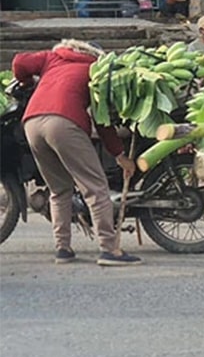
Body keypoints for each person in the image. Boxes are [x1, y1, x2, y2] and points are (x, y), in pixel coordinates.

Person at [12, 40, 142, 266]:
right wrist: (120, 155)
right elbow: (102, 121)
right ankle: (109, 249)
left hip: (32, 123)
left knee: (59, 189)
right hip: (64, 122)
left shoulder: (52, 57)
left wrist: (27, 81)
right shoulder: (96, 69)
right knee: (95, 187)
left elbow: (19, 61)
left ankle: (62, 249)